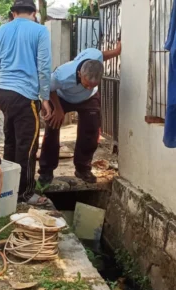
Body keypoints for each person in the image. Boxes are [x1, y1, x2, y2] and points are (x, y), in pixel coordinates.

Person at [0, 0, 52, 206]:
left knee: (11, 141)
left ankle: (8, 188)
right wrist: (45, 97)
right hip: (25, 94)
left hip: (4, 92)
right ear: (34, 13)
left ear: (13, 13)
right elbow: (44, 67)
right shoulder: (40, 31)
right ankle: (24, 194)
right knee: (27, 145)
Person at [38, 42, 121, 186]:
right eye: (86, 83)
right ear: (79, 74)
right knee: (52, 127)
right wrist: (57, 109)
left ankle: (83, 168)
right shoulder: (62, 75)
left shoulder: (95, 57)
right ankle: (46, 171)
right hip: (61, 97)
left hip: (88, 99)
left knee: (91, 130)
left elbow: (103, 55)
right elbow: (49, 88)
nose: (88, 87)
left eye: (93, 85)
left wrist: (117, 51)